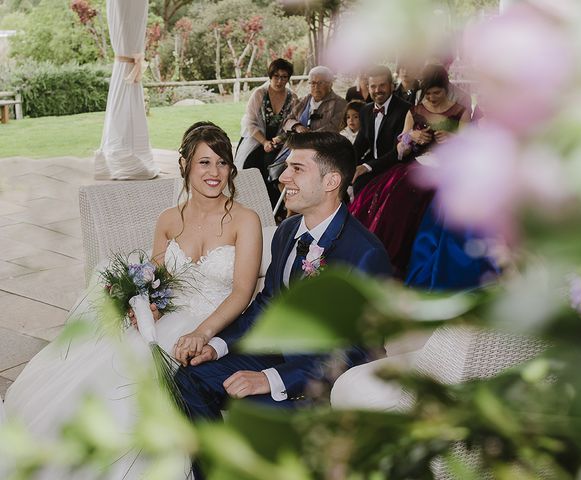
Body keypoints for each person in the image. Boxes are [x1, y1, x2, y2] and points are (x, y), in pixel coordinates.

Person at [2, 122, 263, 479]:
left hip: (214, 322)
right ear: (184, 164)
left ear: (232, 169)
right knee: (108, 365)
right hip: (169, 319)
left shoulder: (245, 220)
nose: (214, 172)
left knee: (145, 373)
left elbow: (241, 292)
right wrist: (147, 304)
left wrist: (202, 333)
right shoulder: (169, 220)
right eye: (204, 162)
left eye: (222, 162)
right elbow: (157, 280)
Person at [175, 133, 392, 478]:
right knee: (190, 377)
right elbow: (267, 305)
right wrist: (216, 346)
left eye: (296, 168)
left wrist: (269, 379)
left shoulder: (365, 254)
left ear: (331, 181)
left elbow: (356, 353)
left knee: (254, 410)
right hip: (277, 350)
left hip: (322, 375)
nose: (282, 177)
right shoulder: (287, 230)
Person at [349, 64, 471, 278]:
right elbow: (402, 146)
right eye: (428, 93)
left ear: (446, 89)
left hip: (448, 169)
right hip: (416, 166)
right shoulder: (414, 111)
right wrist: (411, 137)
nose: (432, 98)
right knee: (396, 196)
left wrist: (454, 140)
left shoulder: (461, 112)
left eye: (437, 93)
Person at [234, 58, 297, 207]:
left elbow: (293, 122)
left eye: (284, 77)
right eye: (276, 76)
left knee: (274, 167)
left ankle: (272, 207)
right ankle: (250, 204)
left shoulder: (292, 98)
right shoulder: (259, 94)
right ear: (270, 76)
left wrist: (279, 139)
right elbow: (250, 121)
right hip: (256, 138)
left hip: (279, 141)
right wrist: (264, 142)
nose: (280, 81)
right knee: (251, 164)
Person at [351, 65, 412, 194]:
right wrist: (345, 166)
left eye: (382, 85)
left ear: (392, 86)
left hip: (396, 167)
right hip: (373, 164)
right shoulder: (366, 110)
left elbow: (397, 151)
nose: (377, 90)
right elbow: (359, 146)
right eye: (373, 86)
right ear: (368, 87)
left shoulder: (406, 111)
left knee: (361, 187)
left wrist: (366, 167)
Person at [282, 66, 347, 134]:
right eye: (313, 83)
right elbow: (287, 120)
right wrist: (297, 126)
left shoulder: (340, 104)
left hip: (325, 143)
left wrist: (309, 135)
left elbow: (334, 128)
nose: (316, 87)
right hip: (298, 142)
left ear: (330, 84)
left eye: (321, 83)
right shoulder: (301, 101)